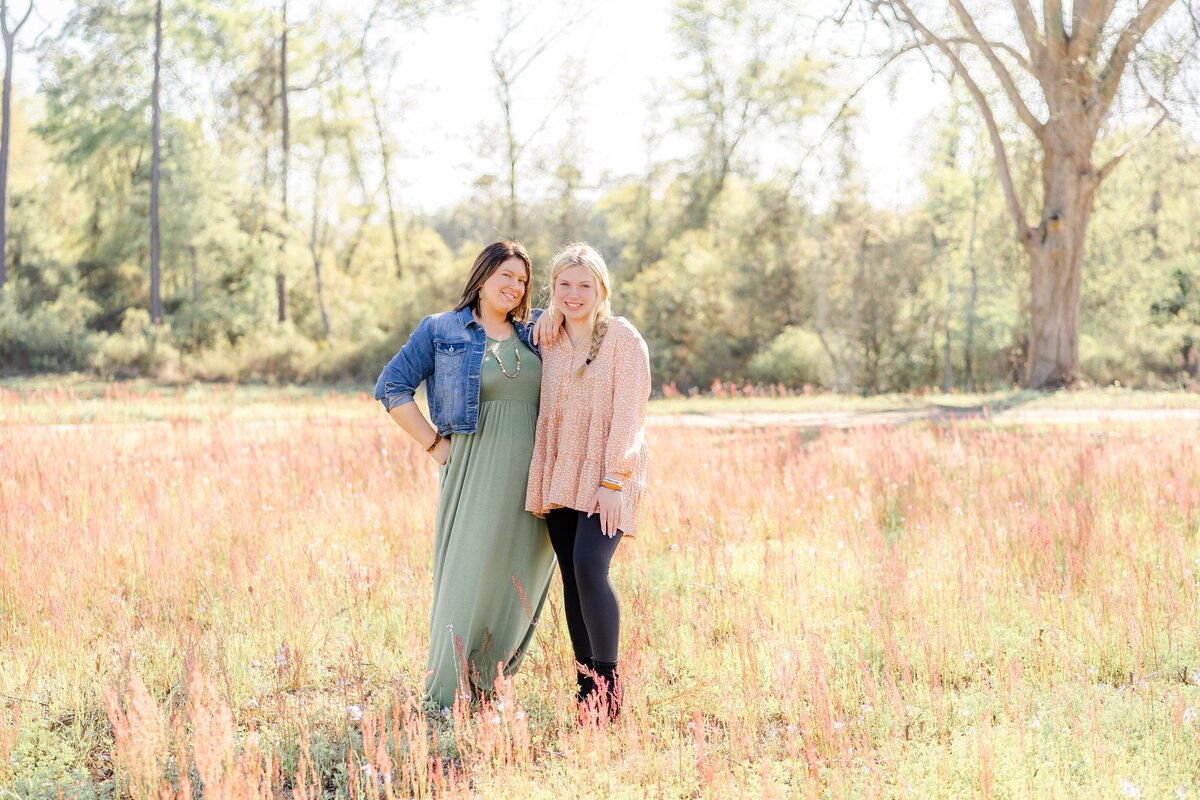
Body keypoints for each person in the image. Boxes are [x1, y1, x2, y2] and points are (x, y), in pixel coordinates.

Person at [374, 239, 556, 708]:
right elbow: (391, 386)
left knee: (520, 572)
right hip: (473, 468)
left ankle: (489, 682)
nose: (515, 287)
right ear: (482, 276)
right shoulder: (442, 330)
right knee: (467, 571)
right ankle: (445, 692)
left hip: (536, 473)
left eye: (522, 280)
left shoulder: (537, 331)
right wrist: (436, 444)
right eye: (506, 276)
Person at [526, 242, 651, 720]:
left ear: (602, 288)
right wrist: (543, 316)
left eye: (585, 285)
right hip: (561, 471)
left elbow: (629, 416)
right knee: (571, 580)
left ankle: (611, 689)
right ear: (553, 289)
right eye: (564, 285)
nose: (574, 294)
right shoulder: (549, 339)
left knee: (589, 568)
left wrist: (614, 481)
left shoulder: (623, 338)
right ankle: (587, 692)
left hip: (607, 475)